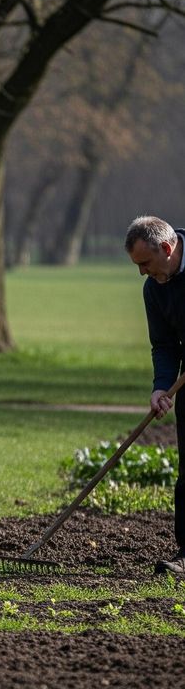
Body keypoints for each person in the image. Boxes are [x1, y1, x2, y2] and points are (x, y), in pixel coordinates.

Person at [125, 215, 185, 574]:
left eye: (145, 263)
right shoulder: (154, 289)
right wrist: (162, 386)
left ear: (167, 248)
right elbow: (164, 345)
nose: (142, 272)